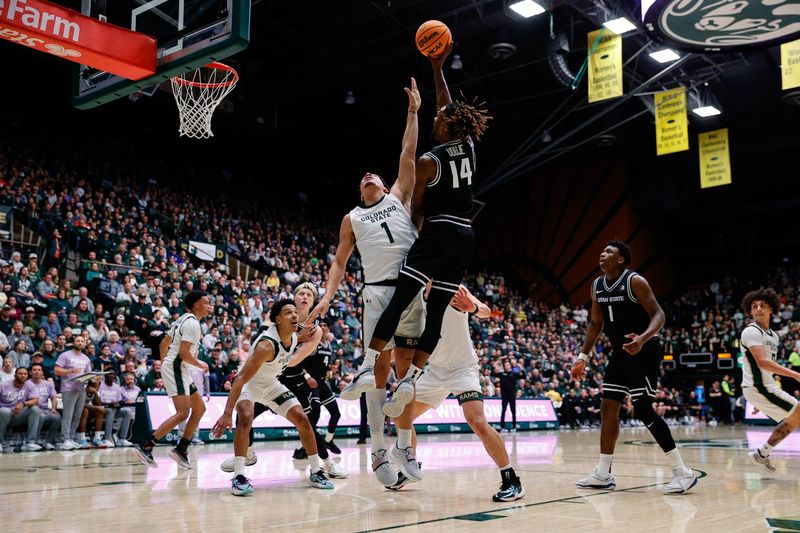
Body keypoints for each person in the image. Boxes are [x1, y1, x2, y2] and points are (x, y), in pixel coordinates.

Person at [349, 43, 492, 419]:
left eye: (438, 120)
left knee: (400, 300)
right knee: (439, 308)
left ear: (447, 126)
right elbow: (448, 106)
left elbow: (417, 207)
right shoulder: (469, 146)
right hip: (466, 236)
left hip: (439, 232)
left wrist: (412, 234)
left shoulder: (430, 161)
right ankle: (412, 377)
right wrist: (437, 68)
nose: (435, 120)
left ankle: (366, 365)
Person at [310, 77, 424, 487]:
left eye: (372, 174)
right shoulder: (352, 218)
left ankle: (405, 446)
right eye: (363, 179)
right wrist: (326, 298)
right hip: (377, 292)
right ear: (361, 193)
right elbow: (340, 263)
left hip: (412, 288)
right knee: (379, 374)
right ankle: (378, 454)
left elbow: (408, 153)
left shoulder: (398, 197)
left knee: (408, 374)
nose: (368, 176)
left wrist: (412, 112)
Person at [569, 241, 697, 494]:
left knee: (643, 409)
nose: (602, 254)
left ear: (621, 260)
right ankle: (603, 473)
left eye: (609, 252)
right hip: (620, 352)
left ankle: (683, 472)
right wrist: (583, 355)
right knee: (608, 407)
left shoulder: (635, 281)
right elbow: (596, 323)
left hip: (644, 350)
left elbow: (658, 314)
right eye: (602, 251)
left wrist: (642, 338)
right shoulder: (597, 286)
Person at [391, 285, 524, 501]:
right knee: (400, 416)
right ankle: (410, 466)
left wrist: (471, 308)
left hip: (462, 368)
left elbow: (486, 311)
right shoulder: (415, 298)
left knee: (477, 422)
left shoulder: (453, 287)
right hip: (434, 370)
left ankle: (511, 479)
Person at [220, 284, 346, 479]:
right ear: (293, 298)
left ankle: (327, 464)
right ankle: (247, 454)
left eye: (309, 295)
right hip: (268, 375)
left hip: (293, 379)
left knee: (308, 424)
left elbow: (295, 359)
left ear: (312, 302)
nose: (304, 297)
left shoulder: (315, 330)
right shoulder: (277, 319)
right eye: (301, 294)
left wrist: (293, 343)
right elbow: (263, 338)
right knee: (244, 416)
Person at [132, 291, 212, 469]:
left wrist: (165, 365)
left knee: (199, 408)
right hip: (177, 367)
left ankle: (181, 448)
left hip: (177, 367)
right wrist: (201, 364)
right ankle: (147, 445)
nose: (209, 306)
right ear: (197, 305)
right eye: (206, 303)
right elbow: (184, 354)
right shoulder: (192, 324)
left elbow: (163, 344)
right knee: (183, 413)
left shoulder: (183, 319)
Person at [740, 288, 800, 472]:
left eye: (763, 305)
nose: (758, 309)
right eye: (754, 306)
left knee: (793, 420)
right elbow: (762, 362)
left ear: (771, 309)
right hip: (757, 387)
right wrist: (795, 374)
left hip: (764, 388)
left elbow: (768, 367)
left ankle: (763, 452)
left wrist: (761, 401)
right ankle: (763, 452)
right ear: (750, 311)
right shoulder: (750, 331)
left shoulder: (773, 336)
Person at [306, 320, 343, 454]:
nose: (322, 327)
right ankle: (305, 446)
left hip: (322, 384)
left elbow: (324, 364)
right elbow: (300, 363)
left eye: (325, 326)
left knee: (336, 414)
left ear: (327, 329)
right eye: (320, 326)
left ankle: (328, 441)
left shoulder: (328, 345)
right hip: (311, 385)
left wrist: (330, 370)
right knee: (314, 415)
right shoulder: (313, 344)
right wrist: (307, 377)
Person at [54, 335, 93, 450]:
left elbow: (88, 374)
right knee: (68, 414)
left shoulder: (86, 358)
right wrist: (71, 370)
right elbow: (56, 371)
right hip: (68, 388)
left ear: (85, 344)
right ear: (73, 343)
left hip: (81, 389)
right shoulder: (65, 355)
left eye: (82, 341)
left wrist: (93, 378)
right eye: (78, 341)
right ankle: (64, 439)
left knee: (77, 415)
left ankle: (71, 438)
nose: (80, 343)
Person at [0, 367, 41, 451]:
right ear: (15, 375)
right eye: (20, 374)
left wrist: (23, 403)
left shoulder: (29, 385)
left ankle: (30, 442)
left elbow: (36, 400)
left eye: (25, 374)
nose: (23, 376)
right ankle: (1, 442)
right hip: (4, 415)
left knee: (35, 409)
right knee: (4, 411)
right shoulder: (3, 385)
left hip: (19, 414)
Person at [29, 362, 61, 449]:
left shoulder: (47, 384)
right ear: (30, 372)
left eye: (39, 370)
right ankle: (33, 441)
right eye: (34, 370)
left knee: (57, 417)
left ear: (42, 373)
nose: (37, 372)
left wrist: (54, 408)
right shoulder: (27, 384)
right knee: (40, 416)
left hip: (45, 410)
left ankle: (48, 442)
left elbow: (53, 398)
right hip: (32, 410)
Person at [492, 360, 520, 432]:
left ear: (510, 366)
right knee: (503, 410)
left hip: (512, 395)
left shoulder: (514, 374)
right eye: (505, 365)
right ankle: (502, 427)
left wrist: (520, 367)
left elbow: (523, 376)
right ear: (504, 367)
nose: (507, 366)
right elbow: (492, 373)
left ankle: (514, 426)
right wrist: (495, 364)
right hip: (504, 395)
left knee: (513, 411)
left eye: (508, 365)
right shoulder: (501, 374)